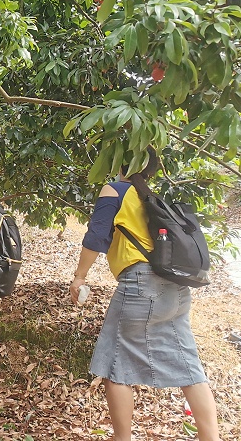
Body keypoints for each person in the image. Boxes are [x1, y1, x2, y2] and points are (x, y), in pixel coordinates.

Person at [70, 149, 221, 441]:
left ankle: (122, 438)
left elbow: (96, 237)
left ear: (119, 164)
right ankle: (211, 437)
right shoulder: (150, 199)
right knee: (189, 367)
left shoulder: (115, 190)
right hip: (175, 290)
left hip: (140, 286)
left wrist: (79, 277)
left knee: (116, 366)